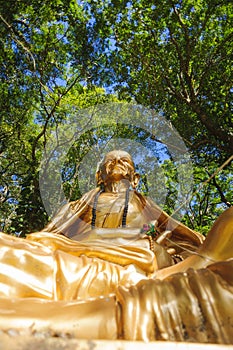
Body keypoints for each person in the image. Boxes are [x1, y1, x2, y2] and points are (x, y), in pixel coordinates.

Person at [0, 150, 232, 344]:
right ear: (99, 175)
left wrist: (149, 232)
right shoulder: (83, 203)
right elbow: (49, 234)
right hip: (78, 251)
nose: (117, 163)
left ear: (135, 178)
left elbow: (181, 234)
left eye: (124, 161)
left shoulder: (141, 202)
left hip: (134, 253)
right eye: (110, 161)